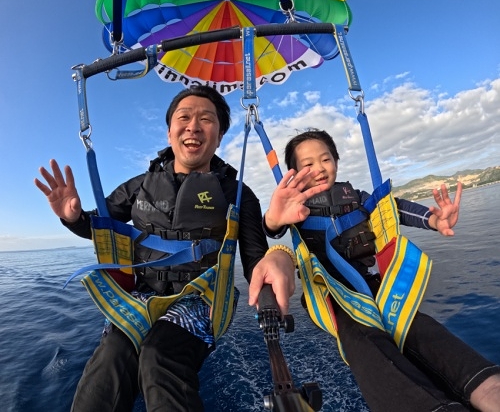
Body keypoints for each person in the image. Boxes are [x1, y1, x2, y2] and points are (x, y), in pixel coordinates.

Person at [34, 85, 301, 412]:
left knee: (159, 357)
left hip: (202, 300)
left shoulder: (237, 193)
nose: (193, 126)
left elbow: (255, 259)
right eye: (184, 117)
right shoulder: (139, 187)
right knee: (109, 361)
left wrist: (279, 257)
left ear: (219, 137)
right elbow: (97, 226)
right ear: (170, 132)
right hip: (142, 296)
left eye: (206, 119)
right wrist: (73, 217)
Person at [262, 128, 500, 412]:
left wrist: (433, 220)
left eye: (326, 159)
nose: (320, 168)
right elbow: (273, 227)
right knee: (366, 340)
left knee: (419, 328)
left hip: (374, 286)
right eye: (308, 164)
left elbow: (393, 209)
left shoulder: (357, 198)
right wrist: (273, 219)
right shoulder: (295, 208)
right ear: (295, 174)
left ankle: (488, 388)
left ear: (336, 161)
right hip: (332, 298)